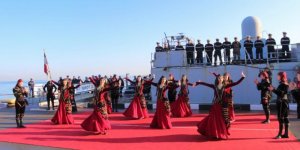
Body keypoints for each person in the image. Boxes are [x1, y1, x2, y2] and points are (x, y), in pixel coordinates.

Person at [195, 72, 245, 139]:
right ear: (217, 79)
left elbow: (235, 83)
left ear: (222, 79)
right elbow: (206, 84)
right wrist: (199, 82)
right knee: (213, 119)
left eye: (221, 78)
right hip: (215, 105)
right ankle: (213, 133)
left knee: (222, 119)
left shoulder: (225, 86)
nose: (220, 79)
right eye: (219, 78)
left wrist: (242, 77)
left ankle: (220, 133)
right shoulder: (214, 86)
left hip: (222, 105)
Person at [268, 72, 290, 139]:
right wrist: (274, 89)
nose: (277, 77)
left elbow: (281, 94)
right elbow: (282, 93)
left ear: (281, 76)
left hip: (282, 102)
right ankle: (286, 134)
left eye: (278, 76)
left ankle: (280, 134)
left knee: (280, 118)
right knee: (285, 118)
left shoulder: (283, 84)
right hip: (285, 102)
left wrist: (273, 90)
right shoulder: (285, 84)